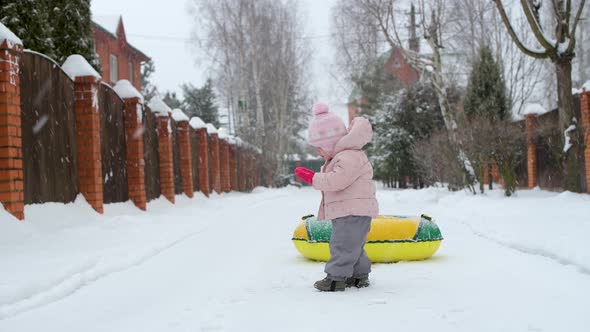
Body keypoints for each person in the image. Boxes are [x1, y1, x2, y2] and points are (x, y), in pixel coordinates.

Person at [295, 102, 378, 291]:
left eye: (320, 148)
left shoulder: (347, 157)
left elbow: (337, 181)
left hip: (352, 211)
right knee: (353, 245)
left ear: (330, 143)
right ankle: (358, 276)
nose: (319, 153)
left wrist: (313, 178)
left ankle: (336, 278)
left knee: (342, 245)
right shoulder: (345, 156)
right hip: (354, 211)